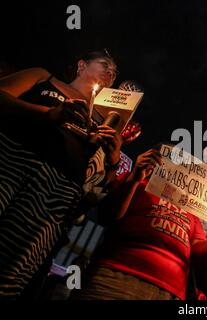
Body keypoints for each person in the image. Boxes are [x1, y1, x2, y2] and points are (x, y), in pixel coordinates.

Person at [0, 50, 122, 298]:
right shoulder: (44, 77)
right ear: (81, 65)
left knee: (12, 265)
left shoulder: (101, 122)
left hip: (54, 196)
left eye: (115, 72)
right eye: (105, 64)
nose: (111, 72)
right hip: (12, 161)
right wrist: (46, 114)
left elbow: (97, 187)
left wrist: (113, 158)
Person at [74, 148, 207, 300]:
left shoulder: (189, 207)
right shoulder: (138, 183)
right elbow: (107, 216)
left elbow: (196, 247)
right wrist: (135, 179)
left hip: (171, 290)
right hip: (118, 276)